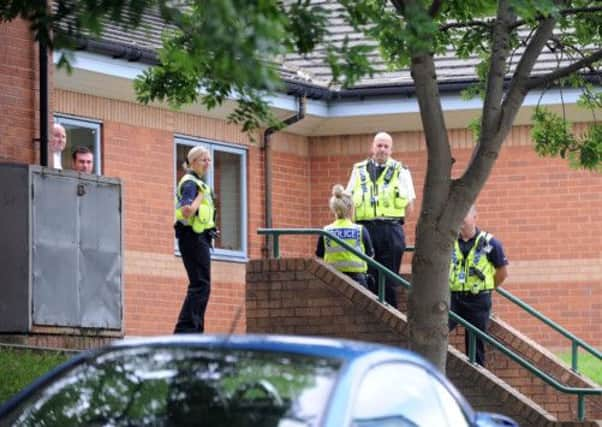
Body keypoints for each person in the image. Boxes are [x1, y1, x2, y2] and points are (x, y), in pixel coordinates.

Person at [346, 131, 416, 308]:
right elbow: (348, 201)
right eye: (379, 145)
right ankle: (372, 314)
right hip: (365, 228)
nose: (382, 149)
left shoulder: (401, 170)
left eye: (386, 146)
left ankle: (389, 313)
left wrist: (396, 222)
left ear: (391, 150)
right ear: (372, 147)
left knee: (389, 277)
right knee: (367, 275)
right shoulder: (358, 169)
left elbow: (410, 204)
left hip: (391, 229)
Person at [448, 205, 508, 367]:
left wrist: (488, 287)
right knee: (438, 331)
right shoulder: (449, 241)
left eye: (464, 215)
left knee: (476, 344)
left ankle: (477, 373)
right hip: (453, 298)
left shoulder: (490, 243)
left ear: (475, 217)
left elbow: (502, 272)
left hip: (478, 300)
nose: (461, 220)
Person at [173, 146, 217, 333]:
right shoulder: (192, 184)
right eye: (203, 160)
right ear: (192, 162)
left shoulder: (198, 182)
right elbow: (186, 210)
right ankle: (187, 329)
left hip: (199, 237)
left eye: (209, 160)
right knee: (200, 284)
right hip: (192, 237)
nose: (207, 163)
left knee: (202, 285)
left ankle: (195, 327)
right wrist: (200, 195)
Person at [315, 184, 374, 287]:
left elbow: (319, 255)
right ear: (350, 208)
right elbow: (370, 255)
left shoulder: (326, 231)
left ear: (333, 209)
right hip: (358, 281)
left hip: (331, 280)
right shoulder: (360, 230)